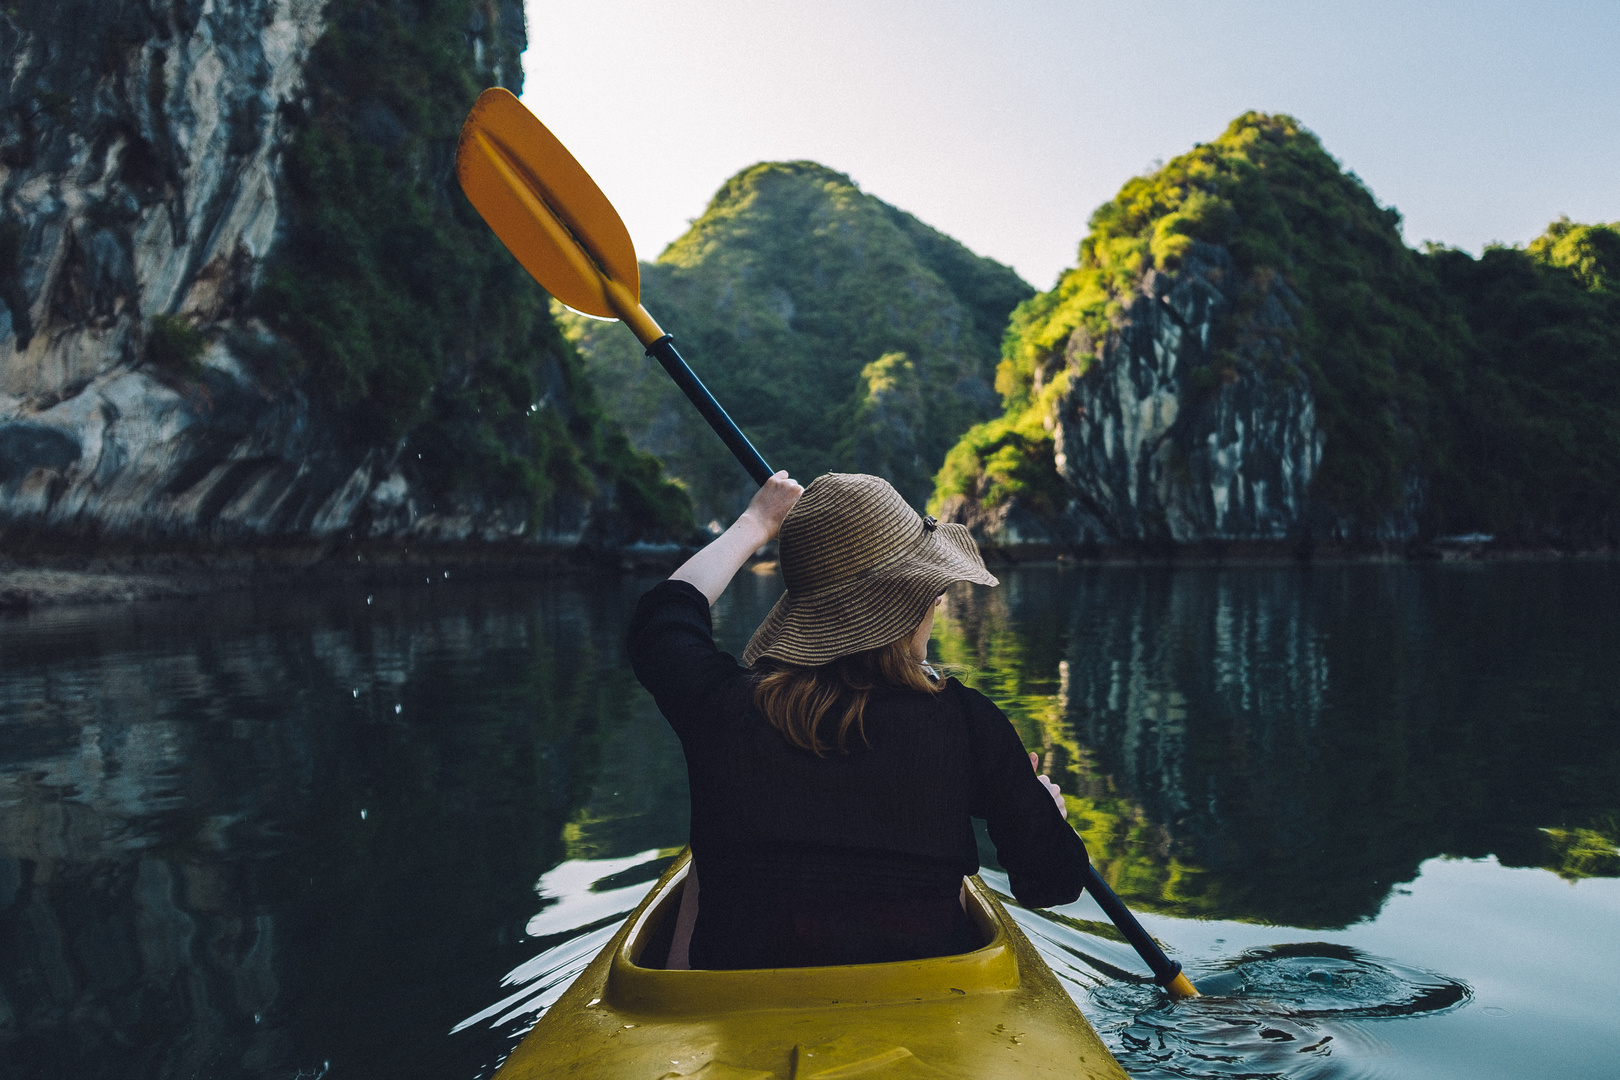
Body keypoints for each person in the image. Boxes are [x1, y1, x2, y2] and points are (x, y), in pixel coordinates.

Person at [627, 471, 1089, 970]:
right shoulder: (968, 725)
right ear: (912, 602)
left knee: (706, 863)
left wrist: (755, 522)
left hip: (739, 1002)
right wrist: (1041, 811)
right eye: (933, 589)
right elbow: (1052, 883)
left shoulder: (720, 706)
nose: (938, 600)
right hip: (924, 1005)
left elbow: (663, 620)